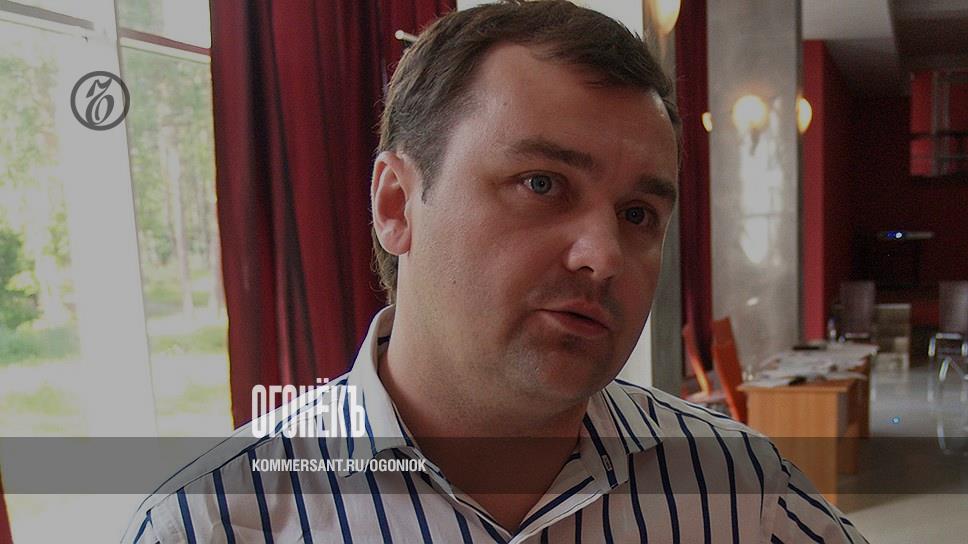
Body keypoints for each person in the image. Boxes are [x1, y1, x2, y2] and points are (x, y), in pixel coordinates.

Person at [123, 1, 868, 542]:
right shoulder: (215, 521)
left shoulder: (736, 486)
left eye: (639, 214)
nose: (604, 255)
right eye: (542, 184)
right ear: (396, 204)